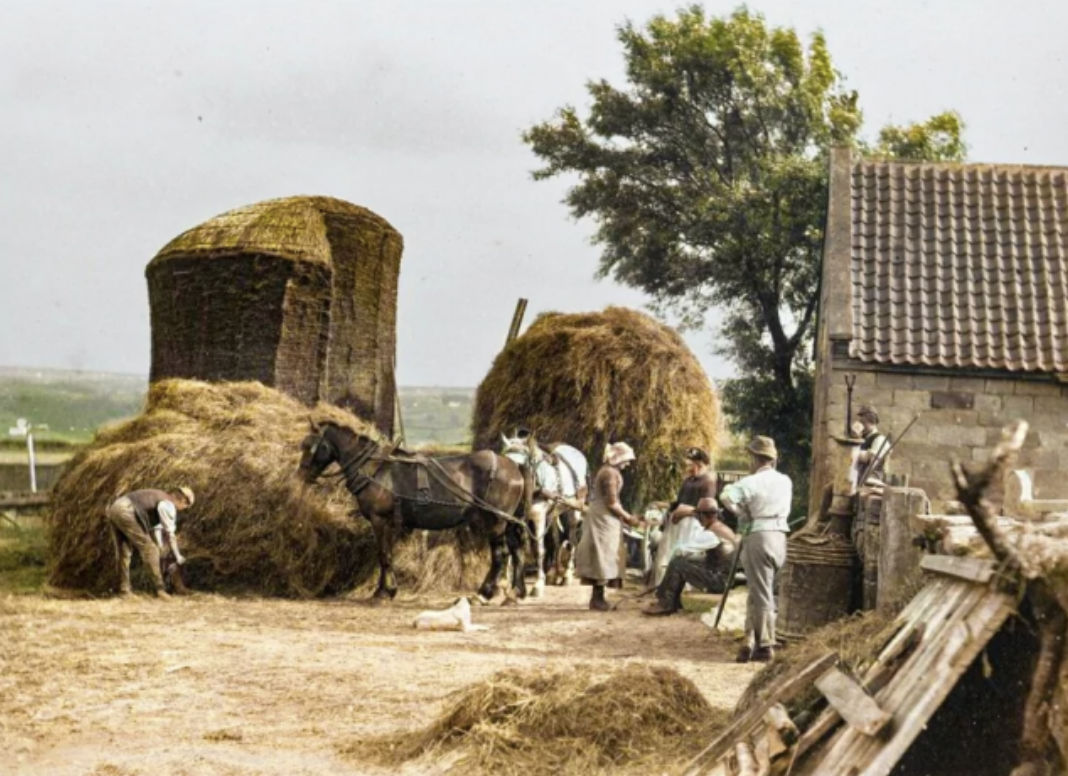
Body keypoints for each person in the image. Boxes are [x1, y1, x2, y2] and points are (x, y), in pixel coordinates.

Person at [719, 437, 791, 663]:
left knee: (761, 594)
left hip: (759, 535)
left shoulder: (752, 481)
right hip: (780, 537)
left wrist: (740, 512)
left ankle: (765, 645)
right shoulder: (785, 481)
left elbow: (725, 496)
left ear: (754, 458)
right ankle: (749, 641)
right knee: (761, 590)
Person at [574, 442, 643, 611]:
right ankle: (597, 599)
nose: (627, 464)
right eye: (626, 460)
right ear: (618, 458)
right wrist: (629, 518)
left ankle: (598, 598)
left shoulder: (608, 471)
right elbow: (612, 502)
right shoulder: (610, 474)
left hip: (604, 517)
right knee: (602, 555)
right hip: (603, 518)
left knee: (604, 555)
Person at [642, 497, 738, 616]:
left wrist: (669, 572)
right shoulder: (721, 528)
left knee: (678, 563)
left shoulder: (711, 533)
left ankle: (666, 603)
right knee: (683, 561)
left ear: (702, 515)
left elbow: (680, 549)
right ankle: (671, 601)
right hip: (725, 576)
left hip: (720, 581)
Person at [106, 486, 194, 598]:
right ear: (183, 501)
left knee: (124, 552)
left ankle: (124, 590)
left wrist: (160, 548)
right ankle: (160, 590)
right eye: (185, 507)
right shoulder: (168, 505)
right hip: (126, 510)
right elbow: (170, 534)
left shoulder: (158, 499)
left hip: (115, 507)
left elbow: (156, 530)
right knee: (150, 549)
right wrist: (177, 555)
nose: (182, 509)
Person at [652, 447, 718, 586]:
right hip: (677, 522)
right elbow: (679, 501)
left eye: (694, 464)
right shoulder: (688, 481)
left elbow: (707, 508)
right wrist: (667, 506)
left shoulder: (708, 482)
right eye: (690, 464)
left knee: (683, 552)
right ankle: (662, 583)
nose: (691, 467)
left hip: (692, 524)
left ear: (702, 464)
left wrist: (686, 512)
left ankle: (681, 585)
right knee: (667, 552)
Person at [853, 405, 889, 488]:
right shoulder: (863, 437)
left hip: (871, 480)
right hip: (857, 478)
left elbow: (872, 465)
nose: (861, 423)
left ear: (871, 420)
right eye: (861, 420)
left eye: (863, 421)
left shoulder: (879, 439)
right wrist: (854, 437)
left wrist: (861, 483)